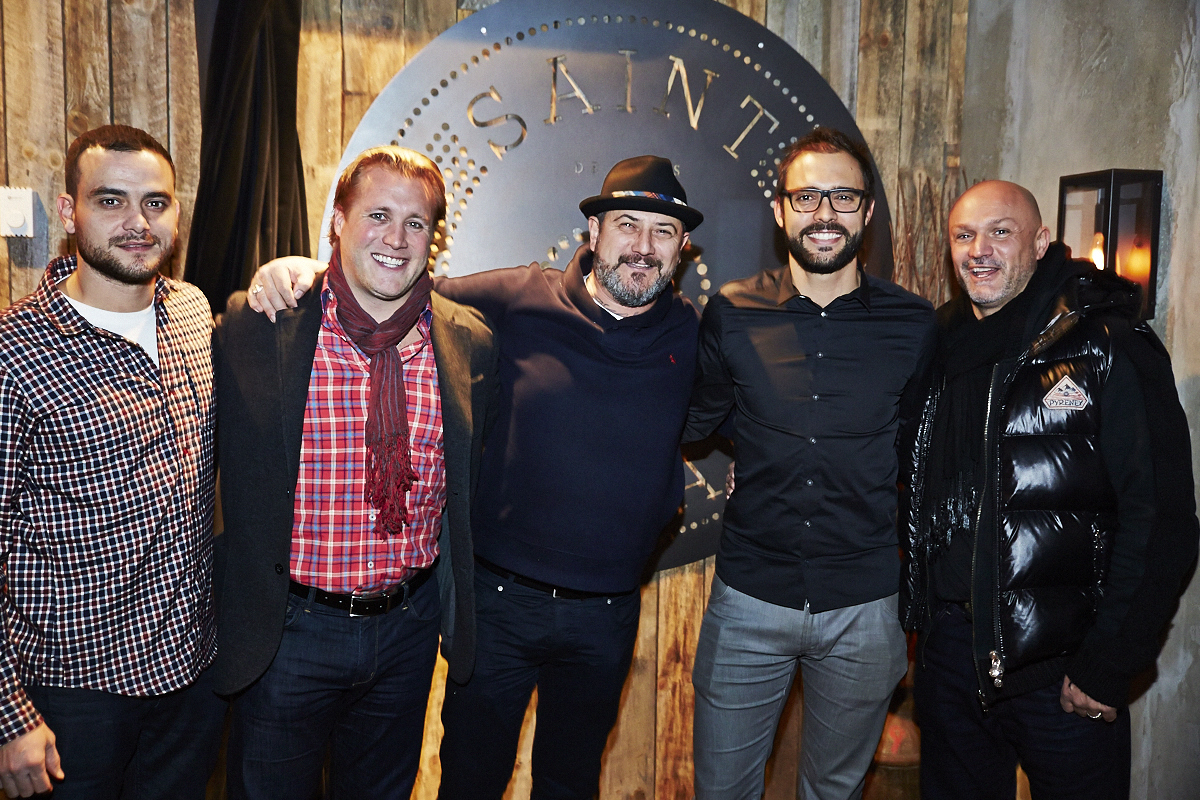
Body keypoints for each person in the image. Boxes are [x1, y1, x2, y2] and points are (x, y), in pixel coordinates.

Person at [249, 154, 704, 799]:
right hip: (496, 604)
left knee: (572, 781)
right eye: (627, 224)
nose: (642, 245)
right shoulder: (518, 297)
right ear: (593, 233)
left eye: (662, 231)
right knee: (470, 777)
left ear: (682, 249)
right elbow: (393, 283)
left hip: (607, 612)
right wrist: (304, 271)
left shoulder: (692, 333)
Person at [212, 146, 497, 800]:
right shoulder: (263, 325)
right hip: (288, 635)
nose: (395, 239)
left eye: (416, 222)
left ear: (434, 236)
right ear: (337, 221)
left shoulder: (468, 341)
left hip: (407, 631)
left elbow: (469, 486)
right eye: (377, 215)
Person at [900, 180, 1199, 799]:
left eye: (1000, 232)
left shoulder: (1108, 345)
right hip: (951, 657)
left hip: (1062, 671)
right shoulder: (937, 346)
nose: (979, 250)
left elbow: (1163, 519)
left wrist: (1108, 666)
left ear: (1040, 242)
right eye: (964, 235)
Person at [683, 128, 936, 800]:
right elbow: (697, 417)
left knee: (834, 792)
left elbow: (923, 443)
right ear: (780, 211)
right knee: (722, 791)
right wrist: (759, 443)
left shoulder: (915, 325)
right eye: (807, 196)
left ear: (868, 212)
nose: (824, 212)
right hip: (749, 598)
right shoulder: (732, 311)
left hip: (865, 603)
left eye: (843, 196)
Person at [0, 125, 224, 799]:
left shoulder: (192, 312)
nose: (137, 223)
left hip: (191, 679)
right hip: (69, 696)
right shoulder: (15, 353)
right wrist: (9, 715)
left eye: (155, 203)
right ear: (69, 212)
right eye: (111, 201)